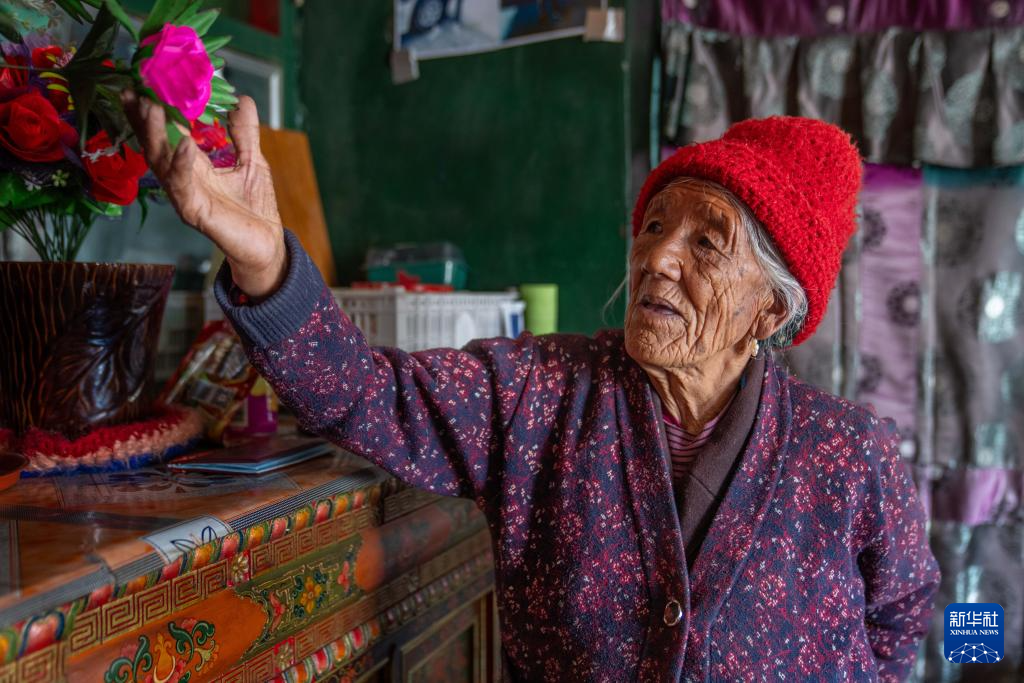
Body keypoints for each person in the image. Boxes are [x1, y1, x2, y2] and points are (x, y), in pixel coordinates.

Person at [124, 92, 940, 681]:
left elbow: (920, 615)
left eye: (707, 242)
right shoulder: (541, 393)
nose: (657, 256)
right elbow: (363, 394)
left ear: (771, 309)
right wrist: (266, 262)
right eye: (656, 225)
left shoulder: (852, 451)